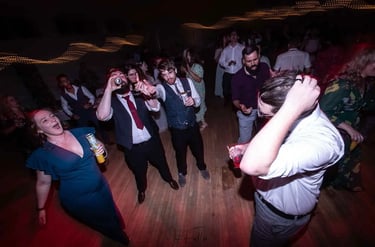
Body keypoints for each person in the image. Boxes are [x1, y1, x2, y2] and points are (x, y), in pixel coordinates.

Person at [228, 71, 344, 246]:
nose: (266, 119)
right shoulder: (290, 117)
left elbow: (252, 165)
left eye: (269, 116)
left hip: (278, 217)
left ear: (291, 110)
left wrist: (290, 107)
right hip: (264, 200)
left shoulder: (324, 141)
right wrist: (247, 146)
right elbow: (275, 139)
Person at [25, 109, 130, 246]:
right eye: (45, 120)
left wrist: (102, 151)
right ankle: (119, 236)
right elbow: (43, 183)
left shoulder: (82, 133)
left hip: (101, 185)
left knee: (110, 210)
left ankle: (117, 228)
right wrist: (41, 208)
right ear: (38, 130)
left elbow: (102, 155)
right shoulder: (43, 155)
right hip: (79, 199)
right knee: (101, 221)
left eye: (52, 115)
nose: (53, 119)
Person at [96, 67, 179, 204]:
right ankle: (142, 189)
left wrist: (147, 94)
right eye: (114, 76)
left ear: (127, 78)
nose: (119, 77)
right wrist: (108, 89)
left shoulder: (138, 93)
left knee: (161, 163)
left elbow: (156, 108)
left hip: (152, 141)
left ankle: (169, 179)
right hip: (132, 147)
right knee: (139, 171)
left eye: (122, 75)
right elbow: (102, 116)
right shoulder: (110, 101)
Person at [320, 47, 375, 192]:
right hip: (336, 132)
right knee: (334, 163)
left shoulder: (365, 82)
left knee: (350, 158)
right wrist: (347, 128)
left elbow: (363, 105)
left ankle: (342, 183)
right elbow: (323, 111)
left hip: (352, 132)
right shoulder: (342, 84)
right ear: (364, 62)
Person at [155, 59, 210, 187]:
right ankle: (182, 173)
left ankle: (202, 167)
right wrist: (150, 90)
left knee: (198, 148)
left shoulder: (187, 81)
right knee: (180, 152)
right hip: (177, 128)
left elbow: (197, 100)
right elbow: (156, 91)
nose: (168, 77)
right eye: (164, 74)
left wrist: (193, 101)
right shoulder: (162, 88)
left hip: (192, 124)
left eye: (170, 73)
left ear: (175, 70)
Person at [231, 45, 271, 144]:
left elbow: (270, 84)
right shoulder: (237, 78)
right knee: (244, 141)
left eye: (255, 59)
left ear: (259, 56)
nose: (253, 63)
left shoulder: (265, 67)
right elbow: (235, 99)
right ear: (243, 61)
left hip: (264, 109)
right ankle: (241, 158)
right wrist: (241, 107)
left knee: (266, 138)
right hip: (247, 112)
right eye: (249, 61)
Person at [56, 73, 110, 144]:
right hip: (79, 115)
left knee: (100, 125)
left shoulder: (81, 88)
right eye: (63, 81)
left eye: (67, 80)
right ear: (61, 84)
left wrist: (90, 103)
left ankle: (107, 140)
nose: (66, 82)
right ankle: (94, 144)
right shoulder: (63, 96)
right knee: (85, 131)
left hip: (90, 111)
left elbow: (91, 97)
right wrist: (72, 115)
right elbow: (64, 107)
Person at [125, 63, 168, 133]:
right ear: (126, 76)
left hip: (148, 120)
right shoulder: (125, 90)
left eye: (135, 73)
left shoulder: (144, 84)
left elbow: (156, 107)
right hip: (134, 124)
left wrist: (149, 95)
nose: (134, 76)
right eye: (131, 74)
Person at [181, 48, 208, 131]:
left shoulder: (197, 66)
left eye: (189, 55)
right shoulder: (191, 66)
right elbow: (189, 77)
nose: (187, 57)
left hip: (199, 88)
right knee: (196, 104)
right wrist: (186, 71)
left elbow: (198, 79)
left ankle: (204, 123)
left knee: (200, 104)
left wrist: (188, 70)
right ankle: (201, 122)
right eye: (186, 56)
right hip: (193, 88)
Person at [218, 29, 245, 105]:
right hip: (228, 72)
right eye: (232, 35)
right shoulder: (226, 49)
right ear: (229, 37)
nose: (233, 36)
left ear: (238, 37)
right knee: (226, 90)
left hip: (238, 73)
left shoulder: (242, 48)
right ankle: (228, 101)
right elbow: (221, 61)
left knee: (238, 90)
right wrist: (227, 63)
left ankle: (236, 104)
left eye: (235, 35)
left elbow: (246, 59)